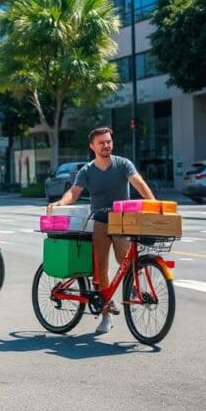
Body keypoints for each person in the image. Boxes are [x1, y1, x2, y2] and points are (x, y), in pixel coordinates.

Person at [48, 126, 155, 335]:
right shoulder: (87, 170)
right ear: (92, 146)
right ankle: (106, 314)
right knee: (100, 268)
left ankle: (134, 285)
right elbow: (74, 193)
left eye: (108, 141)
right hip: (99, 221)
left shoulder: (123, 164)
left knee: (127, 259)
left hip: (122, 220)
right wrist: (61, 203)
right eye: (101, 143)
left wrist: (152, 202)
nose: (106, 145)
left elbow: (138, 182)